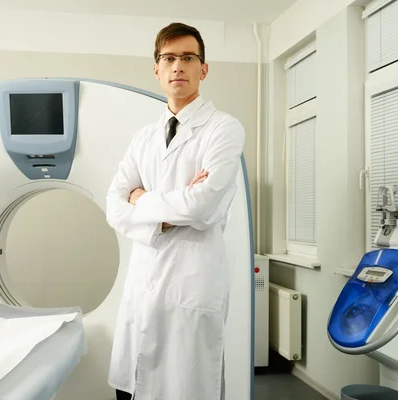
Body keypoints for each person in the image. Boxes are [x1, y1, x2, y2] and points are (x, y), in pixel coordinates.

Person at [105, 21, 246, 400]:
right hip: (143, 284)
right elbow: (113, 207)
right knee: (131, 387)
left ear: (204, 68)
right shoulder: (143, 138)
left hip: (192, 283)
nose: (177, 66)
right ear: (157, 69)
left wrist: (142, 200)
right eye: (168, 58)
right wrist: (170, 213)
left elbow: (204, 203)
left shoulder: (224, 129)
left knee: (186, 387)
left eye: (187, 57)